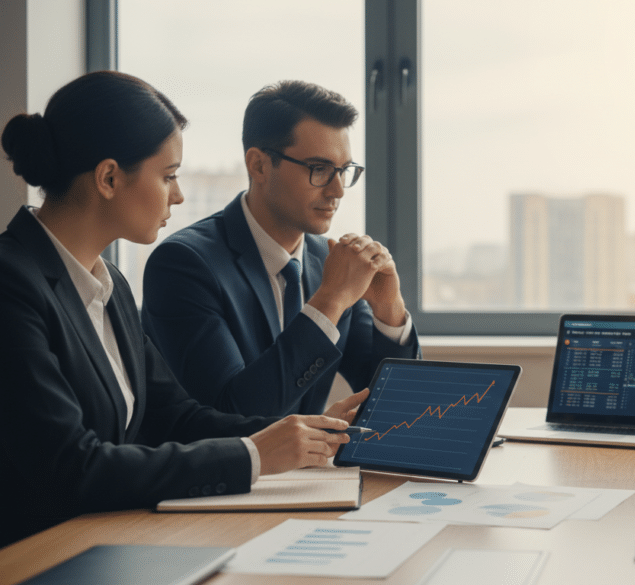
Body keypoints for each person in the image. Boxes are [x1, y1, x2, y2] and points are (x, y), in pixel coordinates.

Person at [0, 71, 365, 547]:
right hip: (38, 554)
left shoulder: (110, 287)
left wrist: (306, 436)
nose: (179, 195)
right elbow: (73, 466)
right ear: (109, 178)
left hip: (109, 537)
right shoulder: (12, 283)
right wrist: (253, 455)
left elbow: (176, 418)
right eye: (169, 176)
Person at [141, 81, 419, 417]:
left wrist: (389, 310)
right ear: (258, 165)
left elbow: (399, 405)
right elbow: (230, 413)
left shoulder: (328, 261)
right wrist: (329, 301)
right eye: (319, 169)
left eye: (343, 171)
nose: (337, 191)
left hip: (308, 470)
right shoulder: (184, 264)